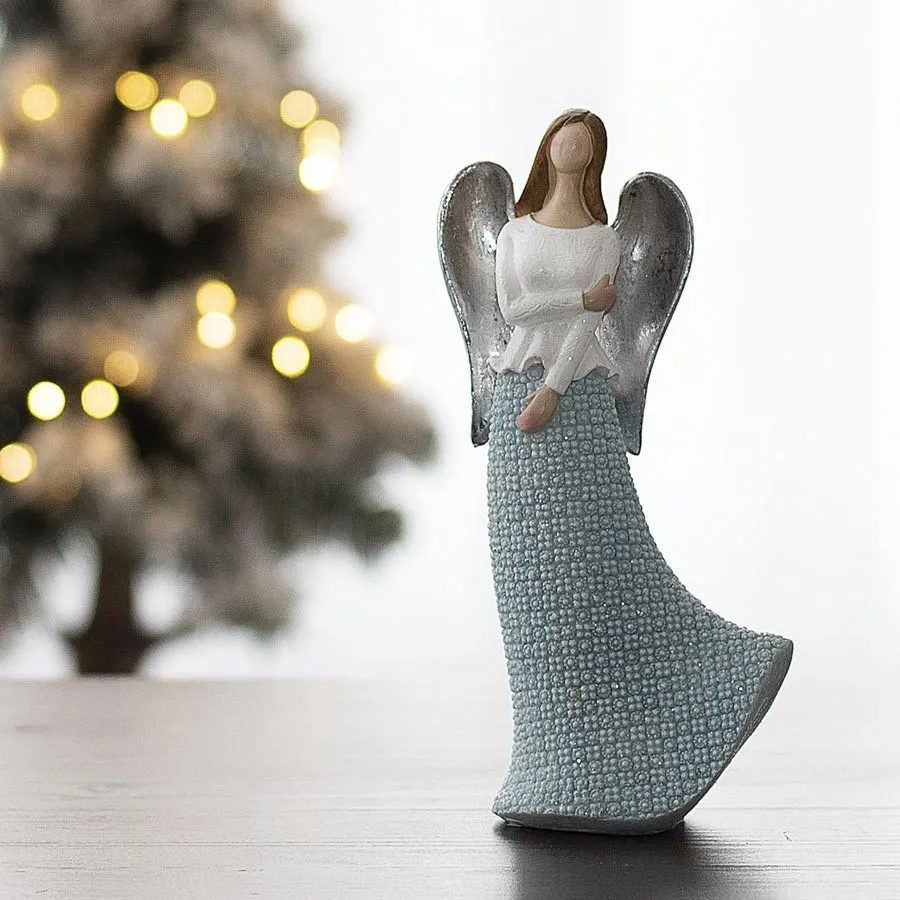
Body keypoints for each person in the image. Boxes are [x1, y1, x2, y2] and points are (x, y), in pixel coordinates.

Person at [484, 110, 792, 833]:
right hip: (512, 397)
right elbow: (514, 306)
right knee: (531, 578)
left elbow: (593, 325)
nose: (573, 144)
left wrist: (555, 389)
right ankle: (545, 756)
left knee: (596, 562)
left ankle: (679, 710)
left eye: (586, 139)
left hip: (576, 398)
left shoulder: (603, 238)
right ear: (548, 146)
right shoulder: (516, 233)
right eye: (565, 133)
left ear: (593, 157)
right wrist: (574, 305)